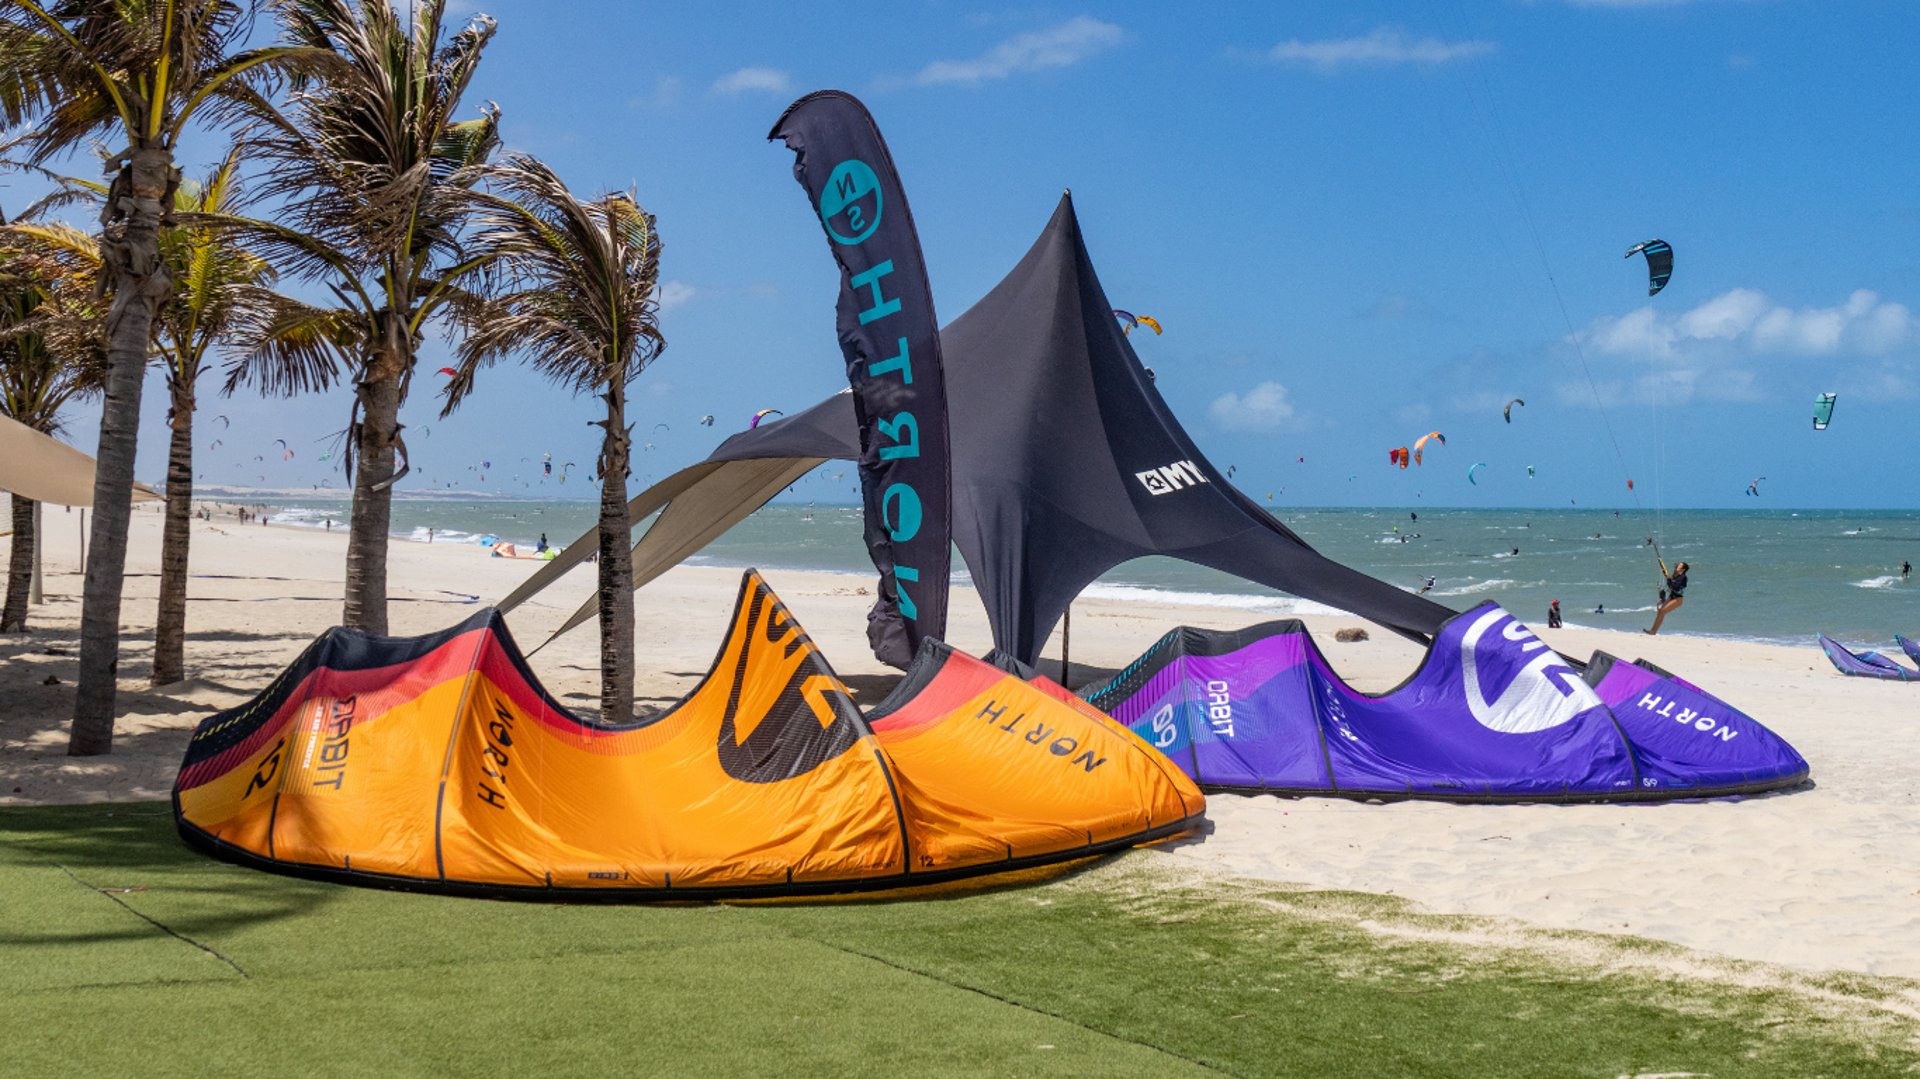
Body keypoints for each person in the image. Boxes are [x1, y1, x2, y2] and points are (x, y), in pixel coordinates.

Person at [1645, 561, 1689, 635]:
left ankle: (1653, 632)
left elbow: (1676, 588)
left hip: (1677, 599)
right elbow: (1671, 586)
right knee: (1660, 612)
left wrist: (1669, 580)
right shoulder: (1677, 576)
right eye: (1678, 565)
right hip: (1671, 597)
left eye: (1680, 565)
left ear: (1683, 569)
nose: (1678, 566)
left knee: (1662, 612)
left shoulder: (1683, 577)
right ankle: (1652, 631)